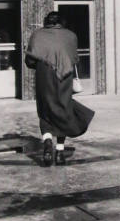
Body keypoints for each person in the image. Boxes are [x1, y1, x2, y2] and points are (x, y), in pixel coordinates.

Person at [25, 11, 94, 166]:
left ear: (46, 21)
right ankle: (60, 153)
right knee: (62, 109)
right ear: (61, 22)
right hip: (64, 77)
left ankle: (48, 143)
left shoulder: (37, 35)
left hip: (44, 76)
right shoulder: (70, 36)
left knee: (45, 111)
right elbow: (74, 59)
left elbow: (29, 61)